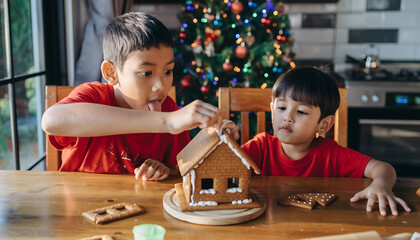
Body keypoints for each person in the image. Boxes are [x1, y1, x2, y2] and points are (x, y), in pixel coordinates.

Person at [42, 12, 233, 181]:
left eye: (168, 71)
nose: (161, 86)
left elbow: (184, 168)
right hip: (80, 213)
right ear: (111, 73)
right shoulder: (94, 96)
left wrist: (215, 139)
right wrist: (166, 122)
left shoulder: (167, 108)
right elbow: (51, 120)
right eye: (146, 73)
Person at [240, 66, 411, 216]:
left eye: (301, 112)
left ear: (323, 124)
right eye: (282, 108)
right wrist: (220, 137)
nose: (288, 118)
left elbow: (383, 168)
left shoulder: (330, 153)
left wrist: (381, 185)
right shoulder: (261, 147)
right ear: (272, 109)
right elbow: (218, 167)